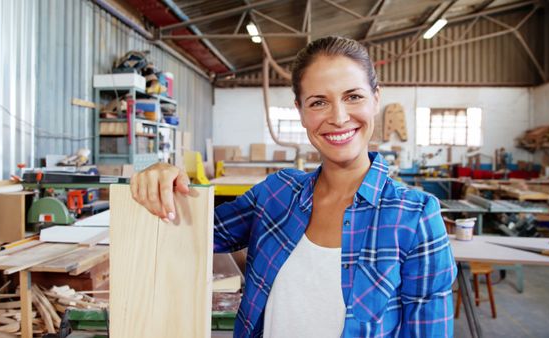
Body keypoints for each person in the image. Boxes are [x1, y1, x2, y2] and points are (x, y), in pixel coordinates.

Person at [131, 36, 457, 337]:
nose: (339, 117)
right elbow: (188, 232)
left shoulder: (414, 216)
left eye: (353, 97)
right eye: (318, 102)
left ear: (375, 98)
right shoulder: (277, 194)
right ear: (300, 111)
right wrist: (161, 178)